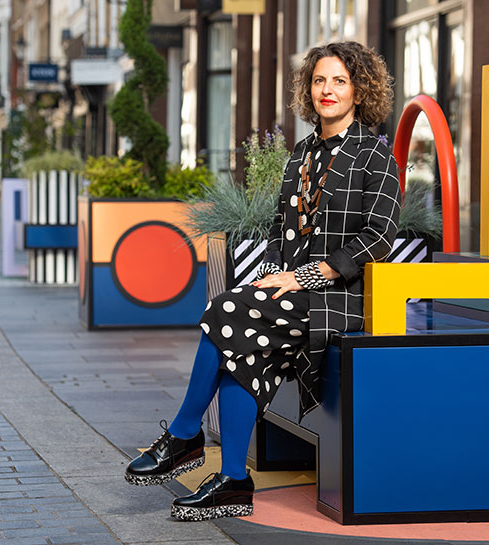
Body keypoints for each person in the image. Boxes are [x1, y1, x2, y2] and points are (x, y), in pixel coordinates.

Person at [125, 41, 402, 522]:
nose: (328, 90)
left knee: (225, 312)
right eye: (319, 80)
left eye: (340, 81)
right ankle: (233, 479)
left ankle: (186, 433)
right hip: (294, 290)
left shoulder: (375, 155)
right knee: (242, 351)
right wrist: (275, 271)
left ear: (360, 90)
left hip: (342, 298)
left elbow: (379, 236)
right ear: (308, 89)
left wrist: (307, 275)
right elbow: (279, 229)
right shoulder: (300, 154)